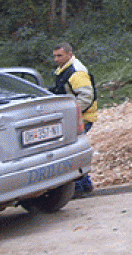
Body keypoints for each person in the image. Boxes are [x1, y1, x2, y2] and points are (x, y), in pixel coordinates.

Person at [50, 42, 97, 196]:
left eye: (59, 55)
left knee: (70, 151)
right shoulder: (64, 70)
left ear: (70, 54)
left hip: (81, 118)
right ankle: (85, 185)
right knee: (72, 150)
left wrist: (72, 115)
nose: (56, 59)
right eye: (55, 56)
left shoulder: (76, 72)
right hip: (77, 117)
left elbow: (86, 97)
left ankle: (78, 188)